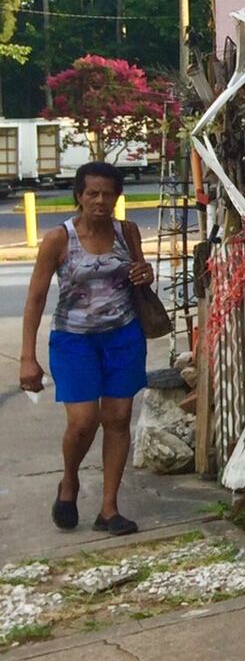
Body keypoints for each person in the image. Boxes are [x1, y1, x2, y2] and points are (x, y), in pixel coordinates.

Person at [18, 161, 155, 536]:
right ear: (78, 195)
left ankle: (109, 509)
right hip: (74, 340)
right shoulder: (59, 239)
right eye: (92, 193)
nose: (99, 200)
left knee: (118, 417)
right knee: (82, 422)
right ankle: (69, 481)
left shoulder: (127, 231)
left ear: (117, 197)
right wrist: (27, 358)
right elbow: (35, 299)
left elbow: (139, 275)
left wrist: (145, 273)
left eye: (107, 193)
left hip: (123, 336)